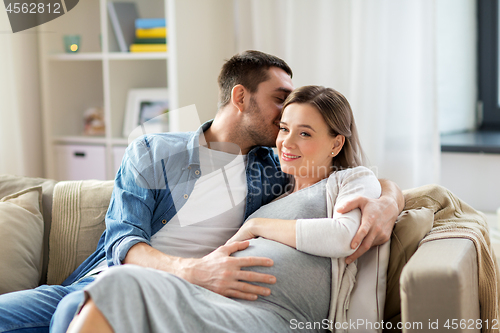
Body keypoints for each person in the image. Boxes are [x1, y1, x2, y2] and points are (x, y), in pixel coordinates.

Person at [0, 51, 403, 333]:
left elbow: (345, 174)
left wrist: (388, 201)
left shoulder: (275, 165)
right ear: (240, 97)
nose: (287, 116)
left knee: (77, 312)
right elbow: (122, 241)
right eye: (279, 101)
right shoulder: (154, 150)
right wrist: (193, 270)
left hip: (185, 298)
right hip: (104, 279)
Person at [66, 85, 384, 333]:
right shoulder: (272, 189)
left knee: (118, 287)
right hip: (219, 302)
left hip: (276, 317)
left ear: (336, 144)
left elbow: (344, 237)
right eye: (284, 129)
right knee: (116, 284)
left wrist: (258, 227)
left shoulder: (351, 179)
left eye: (305, 133)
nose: (287, 142)